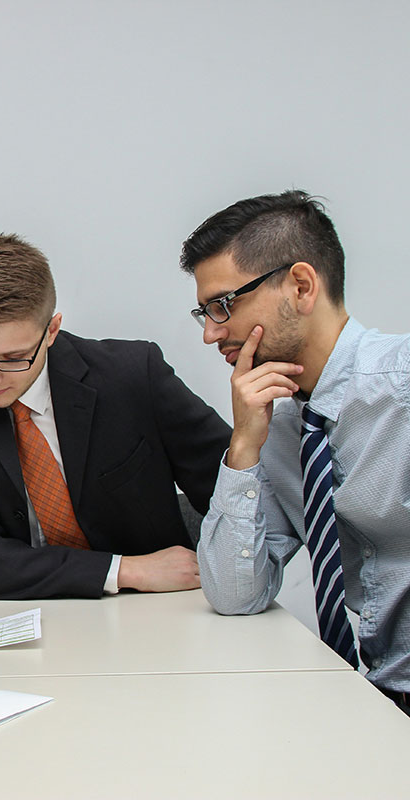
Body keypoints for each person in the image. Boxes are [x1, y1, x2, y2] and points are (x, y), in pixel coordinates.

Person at [0, 234, 230, 600]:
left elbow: (235, 497)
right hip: (12, 614)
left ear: (51, 330)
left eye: (13, 359)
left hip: (154, 610)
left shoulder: (133, 376)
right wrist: (125, 569)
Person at [180, 189, 410, 714]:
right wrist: (243, 446)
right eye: (205, 312)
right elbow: (236, 595)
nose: (212, 333)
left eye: (224, 305)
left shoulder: (403, 385)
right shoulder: (285, 431)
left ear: (301, 286)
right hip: (381, 699)